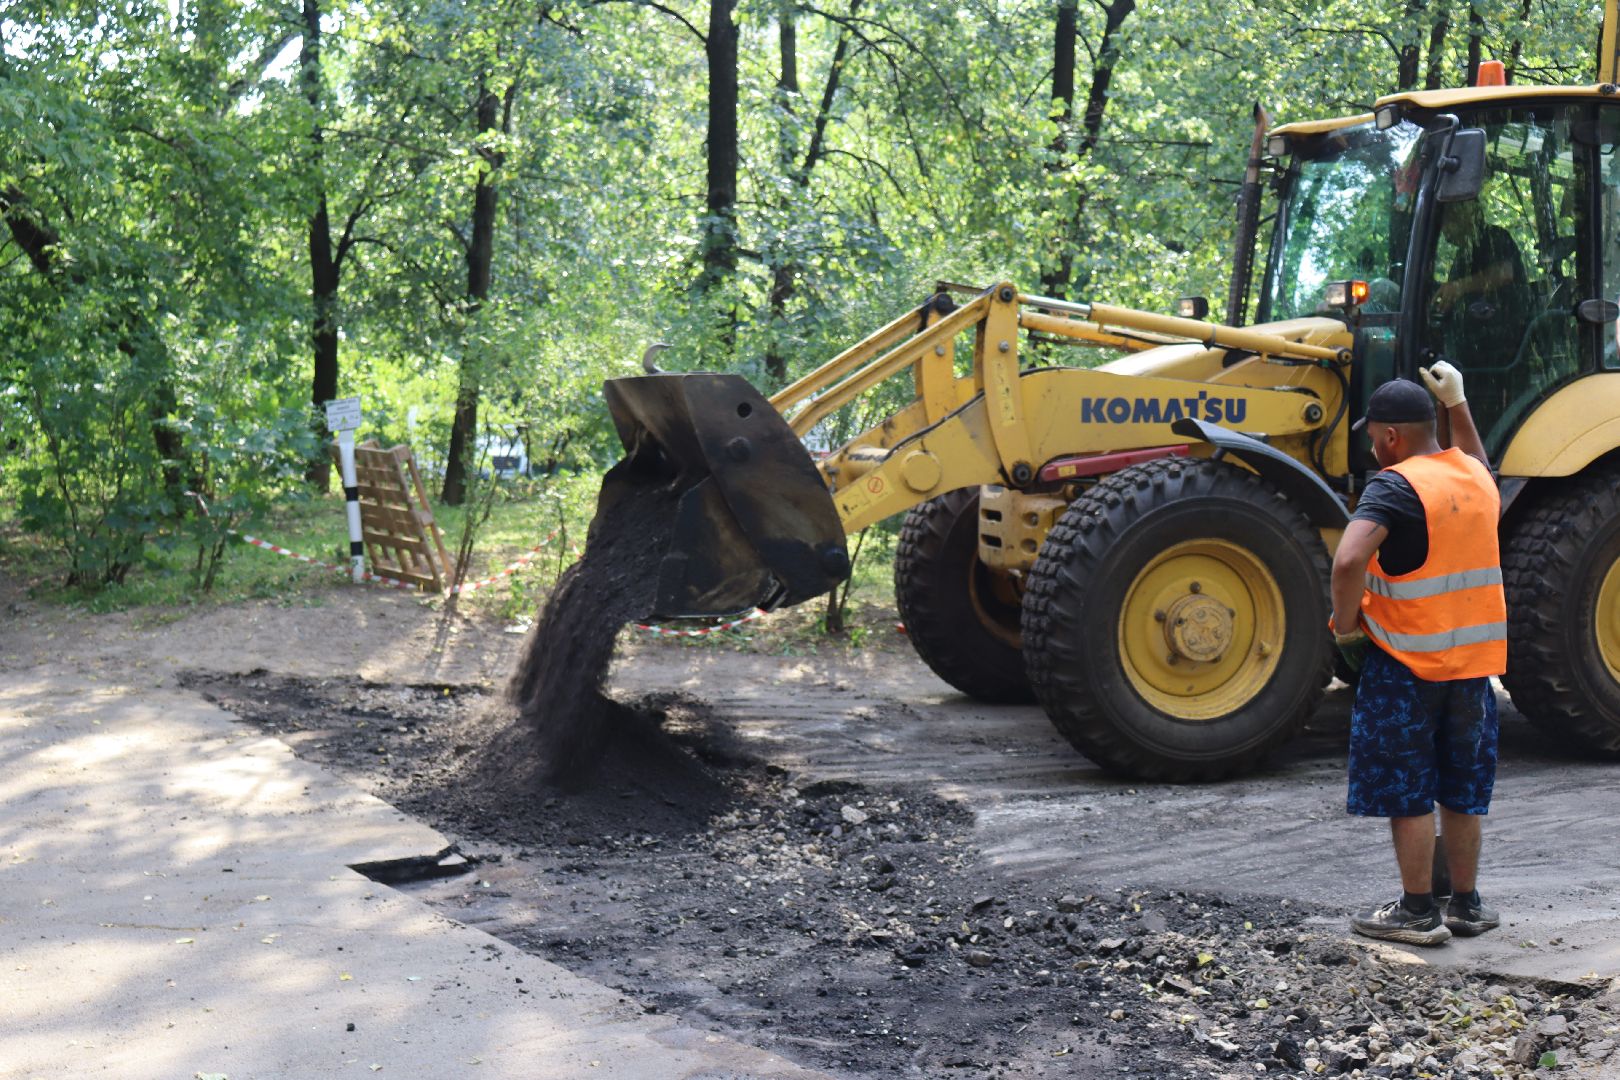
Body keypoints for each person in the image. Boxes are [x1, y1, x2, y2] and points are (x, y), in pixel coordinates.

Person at [1329, 364, 1506, 946]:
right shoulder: (1474, 478)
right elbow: (1477, 461)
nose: (1374, 447)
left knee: (1407, 790)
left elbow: (1350, 560)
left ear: (1390, 438)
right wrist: (1459, 402)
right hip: (1473, 670)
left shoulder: (1395, 485)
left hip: (1406, 665)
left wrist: (1347, 626)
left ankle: (1416, 911)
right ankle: (1468, 905)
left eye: (1374, 437)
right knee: (1462, 787)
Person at [1432, 200, 1530, 368]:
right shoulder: (1463, 254)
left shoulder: (1495, 237)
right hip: (1470, 350)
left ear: (1466, 216)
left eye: (1448, 220)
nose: (1444, 229)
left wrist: (1460, 286)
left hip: (1503, 348)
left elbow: (1504, 273)